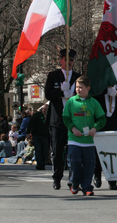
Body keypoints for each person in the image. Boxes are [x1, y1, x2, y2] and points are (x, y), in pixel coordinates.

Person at [62, 76, 106, 196]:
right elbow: (65, 118)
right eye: (76, 87)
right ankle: (74, 183)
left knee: (89, 165)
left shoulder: (93, 102)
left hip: (89, 141)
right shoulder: (71, 101)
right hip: (74, 140)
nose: (78, 90)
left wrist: (95, 128)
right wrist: (73, 129)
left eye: (81, 87)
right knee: (75, 162)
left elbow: (102, 118)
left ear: (88, 88)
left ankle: (87, 187)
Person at [45, 48, 81, 190]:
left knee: (73, 151)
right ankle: (57, 178)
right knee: (57, 152)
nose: (69, 62)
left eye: (71, 60)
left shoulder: (78, 77)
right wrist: (60, 90)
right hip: (58, 120)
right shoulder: (53, 76)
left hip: (74, 120)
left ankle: (72, 179)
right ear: (61, 61)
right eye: (67, 59)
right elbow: (48, 95)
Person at [93, 75, 117, 190]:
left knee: (113, 150)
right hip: (101, 118)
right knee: (98, 149)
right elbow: (93, 94)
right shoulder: (99, 74)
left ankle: (113, 179)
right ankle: (97, 174)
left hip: (116, 119)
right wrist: (104, 90)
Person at [27, 103, 50, 170]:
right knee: (38, 149)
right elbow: (30, 124)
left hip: (46, 135)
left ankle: (43, 162)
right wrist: (28, 133)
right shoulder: (36, 115)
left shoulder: (50, 116)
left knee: (45, 150)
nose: (44, 111)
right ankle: (40, 164)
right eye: (43, 109)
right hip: (37, 135)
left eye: (46, 109)